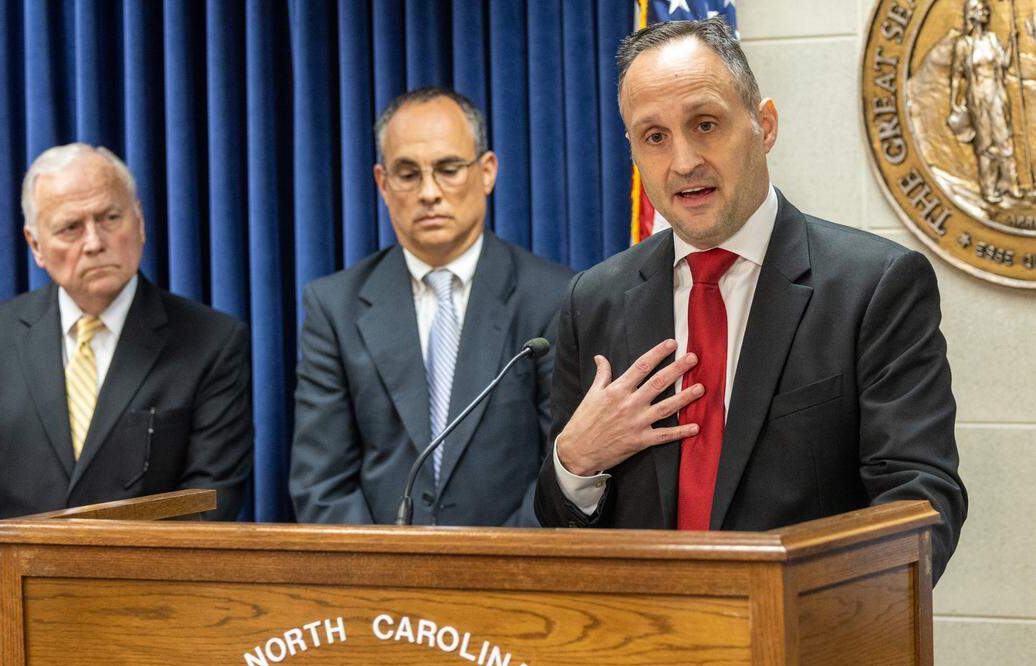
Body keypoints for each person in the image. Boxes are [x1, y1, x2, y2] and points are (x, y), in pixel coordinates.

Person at [535, 18, 966, 582]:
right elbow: (558, 525)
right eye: (655, 136)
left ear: (764, 125)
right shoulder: (593, 301)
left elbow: (920, 501)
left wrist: (817, 615)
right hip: (643, 654)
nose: (683, 160)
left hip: (805, 648)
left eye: (705, 123)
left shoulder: (874, 286)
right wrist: (575, 464)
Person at [0, 143, 253, 666]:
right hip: (9, 642)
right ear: (35, 245)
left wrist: (111, 614)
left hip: (151, 637)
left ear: (141, 222)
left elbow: (212, 499)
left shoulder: (210, 342)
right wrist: (26, 610)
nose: (94, 241)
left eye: (110, 218)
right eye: (70, 227)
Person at [291, 87, 573, 526]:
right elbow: (322, 484)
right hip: (378, 583)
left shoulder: (554, 298)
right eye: (408, 174)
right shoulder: (335, 307)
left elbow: (567, 466)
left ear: (486, 172)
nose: (429, 192)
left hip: (515, 576)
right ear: (383, 184)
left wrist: (497, 572)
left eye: (447, 169)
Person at [949, 0, 1024, 204]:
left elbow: (1005, 64)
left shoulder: (991, 39)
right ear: (971, 13)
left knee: (1004, 138)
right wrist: (953, 101)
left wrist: (1011, 42)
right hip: (978, 96)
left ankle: (1010, 184)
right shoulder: (963, 44)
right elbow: (956, 75)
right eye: (980, 9)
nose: (985, 12)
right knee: (985, 143)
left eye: (985, 8)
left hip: (997, 93)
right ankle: (988, 188)